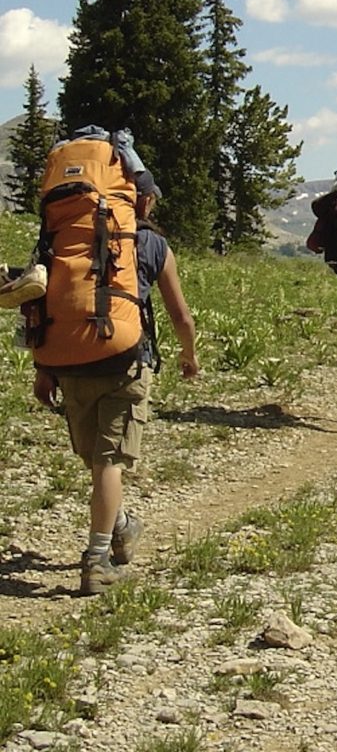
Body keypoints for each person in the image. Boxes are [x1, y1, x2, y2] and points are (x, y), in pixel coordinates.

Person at [33, 183, 199, 595]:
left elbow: (40, 304)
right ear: (142, 199)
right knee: (109, 463)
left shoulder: (65, 237)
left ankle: (121, 526)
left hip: (70, 362)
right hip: (125, 363)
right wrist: (189, 354)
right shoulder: (152, 244)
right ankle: (97, 560)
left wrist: (43, 367)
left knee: (95, 460)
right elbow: (180, 314)